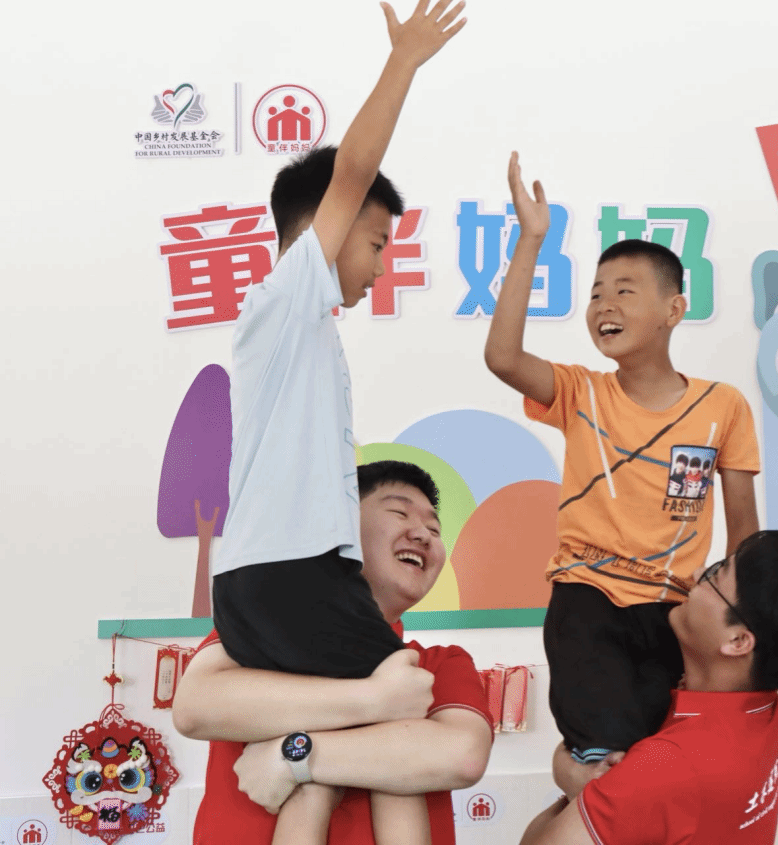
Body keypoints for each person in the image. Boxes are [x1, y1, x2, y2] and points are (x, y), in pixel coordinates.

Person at [204, 4, 467, 842]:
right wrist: (405, 63)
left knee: (333, 739)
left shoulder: (306, 334)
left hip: (266, 579)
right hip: (295, 572)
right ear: (334, 226)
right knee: (403, 706)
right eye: (379, 243)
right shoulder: (288, 299)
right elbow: (352, 169)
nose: (383, 265)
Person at [484, 154, 762, 795]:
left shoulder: (723, 406)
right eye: (595, 294)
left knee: (663, 768)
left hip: (676, 612)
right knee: (603, 767)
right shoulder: (579, 392)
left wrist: (741, 621)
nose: (603, 305)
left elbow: (745, 533)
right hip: (587, 600)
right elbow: (502, 356)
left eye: (625, 291)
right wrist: (531, 241)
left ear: (674, 308)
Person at [174, 461, 494, 845]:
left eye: (435, 529)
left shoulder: (440, 664)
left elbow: (462, 755)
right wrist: (378, 698)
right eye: (399, 512)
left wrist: (292, 757)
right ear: (341, 527)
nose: (423, 534)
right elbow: (195, 706)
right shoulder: (265, 626)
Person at [518, 529, 778, 845]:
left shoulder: (670, 765)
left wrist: (571, 776)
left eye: (715, 575)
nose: (696, 574)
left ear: (738, 640)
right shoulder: (765, 711)